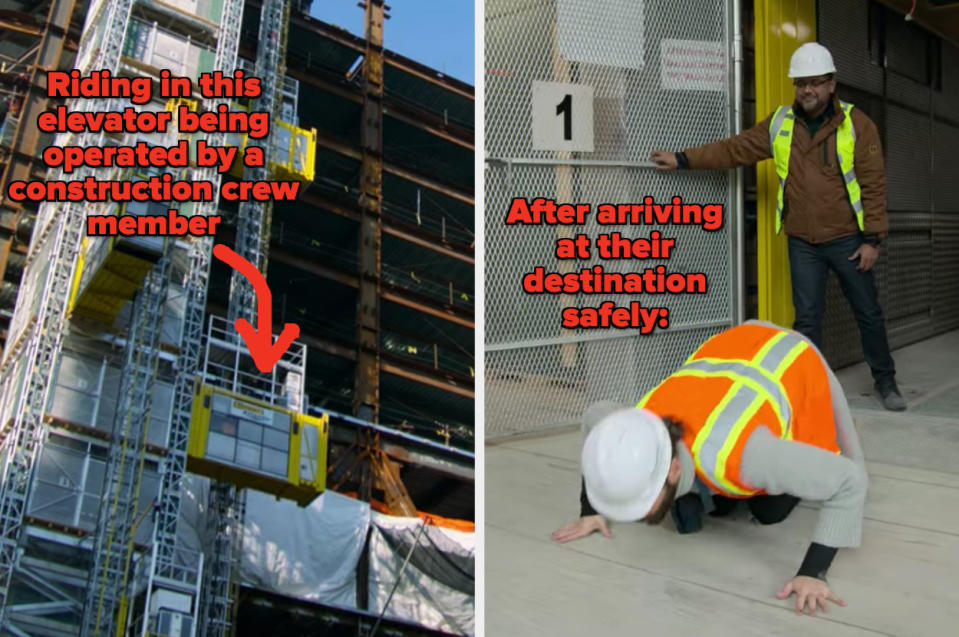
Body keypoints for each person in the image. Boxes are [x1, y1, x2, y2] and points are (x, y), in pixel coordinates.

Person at [650, 42, 905, 412]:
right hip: (803, 241)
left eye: (815, 82)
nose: (807, 90)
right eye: (801, 83)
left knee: (867, 312)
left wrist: (873, 240)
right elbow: (734, 149)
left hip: (849, 239)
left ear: (832, 84)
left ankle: (886, 381)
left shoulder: (857, 125)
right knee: (806, 320)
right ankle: (805, 392)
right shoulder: (780, 123)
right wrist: (684, 159)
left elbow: (873, 184)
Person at [551, 320, 867, 616]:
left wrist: (812, 572)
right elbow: (596, 418)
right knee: (708, 506)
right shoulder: (635, 423)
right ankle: (697, 493)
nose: (634, 512)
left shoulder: (745, 454)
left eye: (642, 499)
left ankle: (710, 493)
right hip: (730, 352)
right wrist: (590, 509)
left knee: (769, 511)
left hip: (790, 359)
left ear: (673, 469)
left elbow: (848, 481)